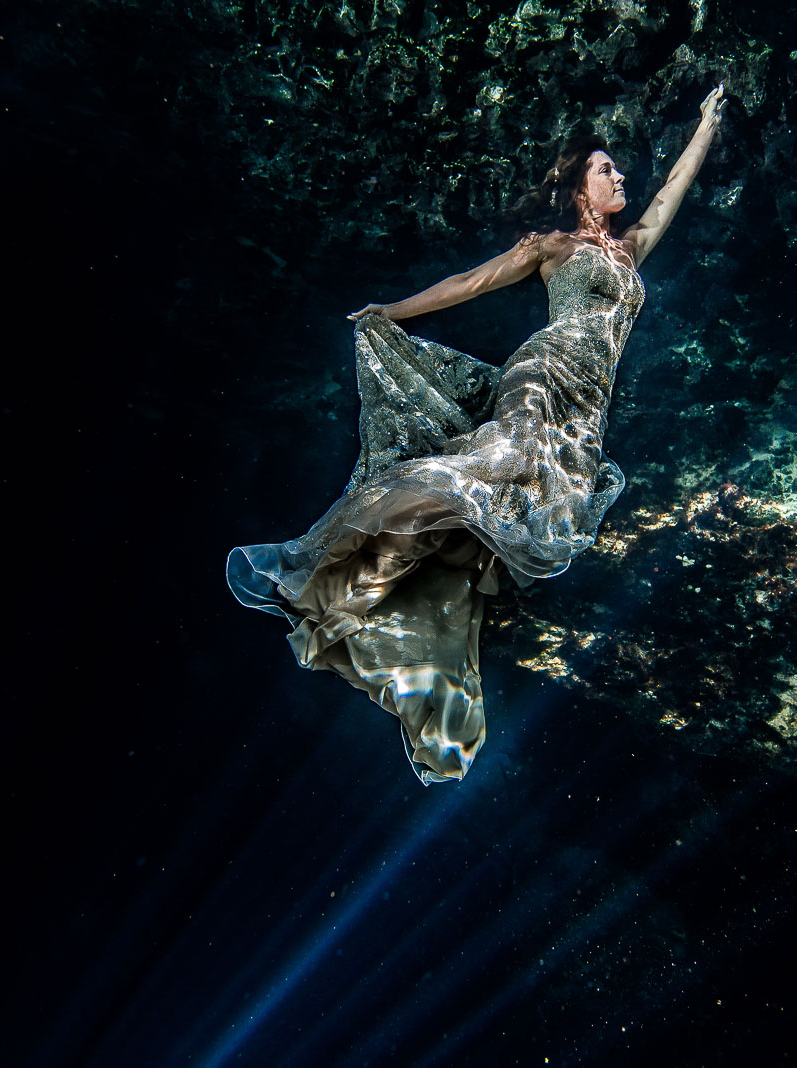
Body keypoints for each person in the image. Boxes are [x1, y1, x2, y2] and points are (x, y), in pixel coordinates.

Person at [228, 85, 727, 784]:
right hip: (544, 371)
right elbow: (469, 283)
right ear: (577, 185)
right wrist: (392, 310)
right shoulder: (551, 246)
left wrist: (706, 125)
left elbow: (674, 188)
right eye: (605, 169)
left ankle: (365, 591)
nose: (621, 178)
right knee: (498, 460)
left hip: (587, 409)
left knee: (500, 517)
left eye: (619, 171)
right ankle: (322, 560)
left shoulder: (632, 251)